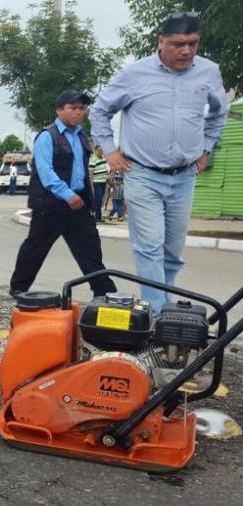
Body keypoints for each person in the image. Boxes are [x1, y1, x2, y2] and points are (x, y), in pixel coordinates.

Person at [91, 11, 228, 314]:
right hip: (142, 173)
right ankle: (157, 312)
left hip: (185, 176)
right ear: (161, 41)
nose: (186, 51)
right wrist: (110, 150)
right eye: (178, 44)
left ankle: (163, 308)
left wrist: (206, 147)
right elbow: (99, 111)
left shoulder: (208, 72)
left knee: (172, 252)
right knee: (150, 246)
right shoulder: (134, 74)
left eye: (193, 43)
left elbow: (219, 113)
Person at [8, 91, 117, 299]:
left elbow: (83, 169)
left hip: (79, 204)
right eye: (73, 108)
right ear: (59, 110)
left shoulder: (82, 136)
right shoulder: (47, 136)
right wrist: (67, 194)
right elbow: (46, 172)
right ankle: (18, 288)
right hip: (51, 204)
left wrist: (86, 195)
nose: (78, 112)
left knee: (90, 250)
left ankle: (104, 292)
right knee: (36, 247)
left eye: (81, 108)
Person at [89, 146, 109, 222]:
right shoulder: (92, 159)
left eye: (101, 150)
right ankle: (96, 216)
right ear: (95, 151)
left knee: (100, 200)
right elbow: (91, 174)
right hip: (96, 182)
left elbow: (105, 169)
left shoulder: (103, 158)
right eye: (99, 150)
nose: (100, 152)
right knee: (98, 199)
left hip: (103, 182)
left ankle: (97, 215)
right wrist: (91, 186)